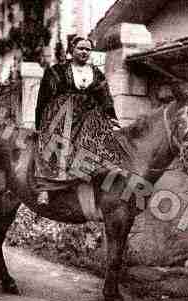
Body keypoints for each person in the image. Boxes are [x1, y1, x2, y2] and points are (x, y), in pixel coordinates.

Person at [35, 36, 127, 205]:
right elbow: (43, 98)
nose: (84, 52)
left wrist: (112, 119)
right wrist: (39, 122)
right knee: (55, 142)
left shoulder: (96, 73)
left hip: (88, 113)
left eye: (87, 49)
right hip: (61, 112)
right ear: (72, 50)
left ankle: (95, 178)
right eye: (80, 48)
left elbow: (105, 97)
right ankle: (46, 189)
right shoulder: (56, 71)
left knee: (101, 133)